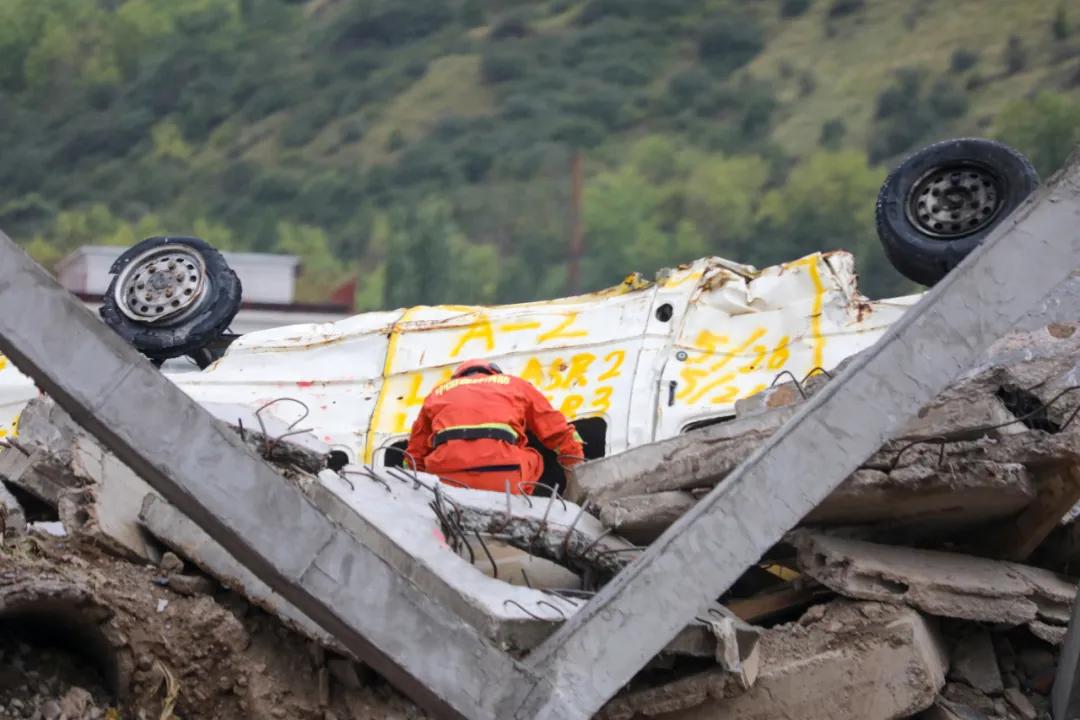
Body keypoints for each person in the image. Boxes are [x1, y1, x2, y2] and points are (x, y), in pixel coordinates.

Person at [404, 359, 585, 493]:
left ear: (458, 377)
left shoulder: (437, 393)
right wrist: (577, 478)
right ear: (494, 373)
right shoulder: (515, 384)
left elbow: (413, 457)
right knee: (535, 458)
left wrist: (418, 493)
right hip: (504, 479)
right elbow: (560, 433)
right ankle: (523, 507)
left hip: (446, 482)